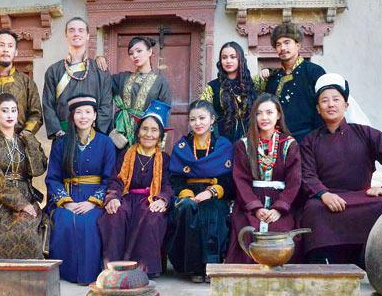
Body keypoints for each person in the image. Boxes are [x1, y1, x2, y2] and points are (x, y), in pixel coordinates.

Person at [299, 74, 382, 266]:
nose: (330, 105)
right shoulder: (310, 140)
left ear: (346, 105)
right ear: (318, 108)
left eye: (336, 99)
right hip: (327, 200)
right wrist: (323, 194)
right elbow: (307, 174)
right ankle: (323, 263)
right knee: (312, 209)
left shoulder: (365, 133)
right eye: (324, 101)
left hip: (361, 198)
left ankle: (370, 261)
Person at [45, 95, 116, 284]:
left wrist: (92, 203)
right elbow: (52, 177)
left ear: (94, 116)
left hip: (93, 199)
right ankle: (65, 273)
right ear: (72, 116)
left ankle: (89, 274)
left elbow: (110, 179)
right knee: (65, 220)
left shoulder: (105, 143)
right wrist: (66, 202)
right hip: (67, 197)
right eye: (78, 112)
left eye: (87, 112)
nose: (83, 116)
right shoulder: (61, 143)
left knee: (89, 222)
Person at [98, 101, 174, 277]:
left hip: (150, 200)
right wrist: (113, 197)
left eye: (154, 130)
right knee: (114, 213)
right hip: (126, 198)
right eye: (145, 129)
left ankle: (143, 270)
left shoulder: (164, 158)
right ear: (138, 131)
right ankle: (114, 267)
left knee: (152, 216)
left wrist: (163, 199)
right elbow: (115, 180)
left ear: (160, 135)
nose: (148, 134)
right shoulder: (126, 154)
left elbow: (168, 185)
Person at [225, 94, 302, 263]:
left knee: (281, 230)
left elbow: (294, 181)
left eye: (269, 112)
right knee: (247, 229)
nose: (264, 117)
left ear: (278, 115)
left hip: (281, 202)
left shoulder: (289, 144)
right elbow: (241, 180)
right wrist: (256, 208)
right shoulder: (244, 144)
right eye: (259, 113)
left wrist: (279, 209)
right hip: (250, 202)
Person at [166, 100, 234, 282]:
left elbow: (229, 179)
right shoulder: (182, 147)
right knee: (187, 209)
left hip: (213, 192)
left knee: (212, 211)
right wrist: (188, 194)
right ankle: (194, 268)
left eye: (202, 118)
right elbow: (175, 178)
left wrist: (211, 192)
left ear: (212, 120)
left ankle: (211, 266)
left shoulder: (224, 146)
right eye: (193, 119)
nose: (198, 123)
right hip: (188, 193)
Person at [0, 93, 48, 259]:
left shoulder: (25, 139)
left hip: (26, 194)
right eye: (5, 110)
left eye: (13, 110)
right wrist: (20, 204)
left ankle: (32, 277)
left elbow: (37, 170)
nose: (10, 115)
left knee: (28, 230)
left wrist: (30, 143)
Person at [42, 17, 113, 139]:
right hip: (63, 135)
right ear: (66, 35)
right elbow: (48, 104)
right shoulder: (54, 70)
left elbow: (106, 104)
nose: (76, 34)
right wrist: (58, 131)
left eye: (81, 30)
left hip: (93, 135)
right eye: (71, 30)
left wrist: (98, 133)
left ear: (87, 36)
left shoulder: (100, 70)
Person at [265, 23, 326, 142]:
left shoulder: (314, 72)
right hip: (280, 142)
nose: (282, 48)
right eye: (278, 44)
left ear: (298, 45)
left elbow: (323, 107)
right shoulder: (273, 79)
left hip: (310, 140)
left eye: (287, 42)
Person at [109, 36, 171, 149]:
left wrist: (160, 145)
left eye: (139, 51)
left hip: (146, 135)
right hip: (121, 134)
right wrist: (99, 60)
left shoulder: (160, 82)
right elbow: (101, 82)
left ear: (150, 52)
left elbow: (163, 116)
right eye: (131, 53)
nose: (135, 55)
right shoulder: (122, 78)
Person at [200, 42, 263, 142]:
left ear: (240, 59)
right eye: (224, 57)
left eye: (233, 57)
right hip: (222, 139)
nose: (228, 61)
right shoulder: (212, 87)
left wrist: (267, 71)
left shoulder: (253, 83)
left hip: (251, 139)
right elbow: (202, 112)